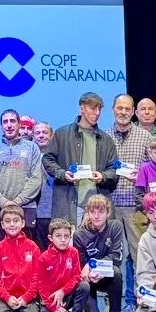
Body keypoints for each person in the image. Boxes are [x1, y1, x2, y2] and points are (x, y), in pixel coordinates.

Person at [103, 93, 150, 312]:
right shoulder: (103, 136)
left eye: (127, 109)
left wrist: (140, 174)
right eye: (119, 108)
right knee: (109, 255)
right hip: (108, 205)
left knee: (139, 255)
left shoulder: (145, 136)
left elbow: (153, 169)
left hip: (135, 205)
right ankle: (110, 306)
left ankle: (142, 303)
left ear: (133, 112)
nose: (123, 112)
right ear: (113, 109)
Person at [43, 92, 120, 226]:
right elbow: (48, 159)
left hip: (96, 205)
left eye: (99, 109)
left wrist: (103, 176)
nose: (97, 113)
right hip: (69, 203)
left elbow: (114, 169)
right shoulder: (62, 134)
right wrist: (62, 174)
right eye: (92, 108)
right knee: (70, 239)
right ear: (82, 108)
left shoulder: (106, 139)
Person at [0, 109, 43, 248]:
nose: (9, 125)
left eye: (12, 121)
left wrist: (17, 202)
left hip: (26, 208)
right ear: (1, 126)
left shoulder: (32, 148)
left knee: (26, 253)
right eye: (5, 122)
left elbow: (36, 179)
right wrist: (3, 202)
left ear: (19, 124)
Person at [73, 195, 126, 312]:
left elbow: (116, 257)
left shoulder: (115, 226)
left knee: (116, 272)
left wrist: (94, 266)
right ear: (88, 213)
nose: (96, 216)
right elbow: (80, 266)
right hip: (88, 280)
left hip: (106, 275)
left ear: (108, 213)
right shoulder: (79, 234)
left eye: (101, 212)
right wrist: (88, 271)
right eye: (93, 212)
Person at [0, 205, 41, 312]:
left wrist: (26, 298)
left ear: (22, 223)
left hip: (27, 297)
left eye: (16, 220)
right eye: (7, 221)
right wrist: (6, 298)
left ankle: (28, 311)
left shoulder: (33, 247)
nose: (12, 224)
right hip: (6, 297)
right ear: (2, 224)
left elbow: (37, 277)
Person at [38, 218, 90, 312]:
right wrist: (52, 307)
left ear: (70, 237)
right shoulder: (43, 258)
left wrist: (62, 291)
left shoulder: (73, 252)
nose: (63, 240)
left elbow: (77, 276)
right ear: (50, 238)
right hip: (53, 301)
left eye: (66, 236)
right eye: (58, 236)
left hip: (68, 295)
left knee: (84, 285)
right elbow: (41, 286)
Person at [32, 122, 56, 250]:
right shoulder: (30, 157)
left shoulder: (60, 157)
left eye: (45, 132)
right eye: (37, 133)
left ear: (51, 135)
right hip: (35, 213)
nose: (41, 135)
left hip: (55, 212)